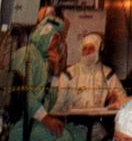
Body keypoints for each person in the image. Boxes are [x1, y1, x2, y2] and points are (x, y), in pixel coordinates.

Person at [10, 12, 83, 141]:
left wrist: (55, 74)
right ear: (45, 34)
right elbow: (23, 94)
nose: (58, 43)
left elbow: (48, 104)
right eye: (56, 38)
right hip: (20, 123)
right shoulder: (26, 55)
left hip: (34, 121)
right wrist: (45, 118)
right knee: (64, 138)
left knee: (79, 135)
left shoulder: (43, 62)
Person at [53, 32, 127, 138]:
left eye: (91, 48)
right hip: (72, 125)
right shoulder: (69, 74)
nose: (87, 52)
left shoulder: (107, 74)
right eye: (85, 49)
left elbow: (122, 98)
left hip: (98, 127)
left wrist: (114, 100)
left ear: (98, 50)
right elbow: (58, 104)